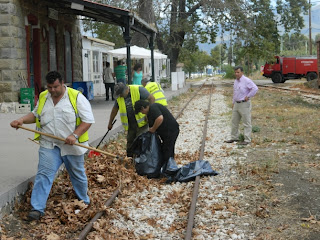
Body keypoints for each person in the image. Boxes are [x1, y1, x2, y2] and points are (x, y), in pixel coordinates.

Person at [10, 71, 95, 221]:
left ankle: (84, 202)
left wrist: (74, 135)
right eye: (49, 87)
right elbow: (36, 115)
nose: (53, 90)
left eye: (55, 87)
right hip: (49, 144)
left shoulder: (76, 97)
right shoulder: (44, 96)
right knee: (44, 175)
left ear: (62, 83)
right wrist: (21, 120)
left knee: (77, 175)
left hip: (72, 146)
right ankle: (37, 209)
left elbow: (87, 120)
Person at [107, 82, 155, 157]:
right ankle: (129, 159)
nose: (120, 96)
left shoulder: (138, 90)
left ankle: (141, 161)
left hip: (142, 123)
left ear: (126, 90)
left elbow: (152, 98)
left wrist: (148, 114)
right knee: (130, 142)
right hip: (130, 124)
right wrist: (110, 123)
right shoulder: (120, 97)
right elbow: (114, 110)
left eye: (121, 94)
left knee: (140, 141)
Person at [134, 100, 179, 172]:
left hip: (171, 130)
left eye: (141, 111)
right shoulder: (150, 111)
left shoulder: (153, 107)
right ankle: (167, 167)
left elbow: (160, 118)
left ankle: (170, 169)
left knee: (168, 149)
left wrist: (153, 129)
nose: (142, 113)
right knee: (165, 148)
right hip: (166, 132)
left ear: (143, 108)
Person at [225, 66, 258, 145]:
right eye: (235, 72)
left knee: (246, 122)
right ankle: (234, 137)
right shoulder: (236, 81)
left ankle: (247, 139)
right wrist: (233, 103)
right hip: (237, 103)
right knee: (234, 121)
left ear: (242, 72)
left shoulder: (246, 80)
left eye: (238, 72)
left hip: (244, 104)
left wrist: (248, 96)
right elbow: (235, 93)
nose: (236, 74)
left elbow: (255, 88)